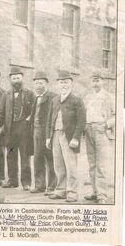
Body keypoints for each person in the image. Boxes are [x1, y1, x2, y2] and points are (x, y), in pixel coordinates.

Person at [46, 70, 86, 203]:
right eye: (61, 82)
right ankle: (60, 190)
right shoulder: (55, 100)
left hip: (69, 137)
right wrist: (48, 137)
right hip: (56, 135)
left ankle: (72, 192)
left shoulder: (76, 100)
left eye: (66, 82)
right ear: (58, 84)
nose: (63, 85)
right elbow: (49, 120)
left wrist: (75, 138)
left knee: (71, 165)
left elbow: (81, 121)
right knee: (58, 165)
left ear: (71, 84)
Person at [0, 66, 35, 190]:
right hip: (10, 129)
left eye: (18, 78)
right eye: (14, 78)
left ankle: (26, 182)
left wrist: (29, 118)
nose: (16, 80)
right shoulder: (6, 94)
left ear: (22, 78)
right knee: (11, 155)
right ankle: (12, 180)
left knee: (25, 156)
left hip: (24, 129)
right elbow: (0, 111)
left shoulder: (29, 93)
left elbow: (35, 109)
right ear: (11, 80)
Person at [83, 71, 115, 204]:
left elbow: (117, 115)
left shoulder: (109, 97)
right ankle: (95, 192)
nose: (95, 83)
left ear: (103, 81)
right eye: (93, 81)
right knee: (92, 163)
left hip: (102, 130)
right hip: (89, 129)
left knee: (101, 164)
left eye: (98, 80)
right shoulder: (87, 97)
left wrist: (107, 125)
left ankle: (102, 194)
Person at [29, 71, 57, 195]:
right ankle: (39, 185)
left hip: (47, 134)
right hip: (36, 132)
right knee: (38, 159)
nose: (38, 86)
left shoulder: (53, 97)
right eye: (36, 83)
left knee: (50, 160)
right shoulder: (37, 97)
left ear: (47, 84)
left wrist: (49, 136)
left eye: (41, 83)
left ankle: (52, 186)